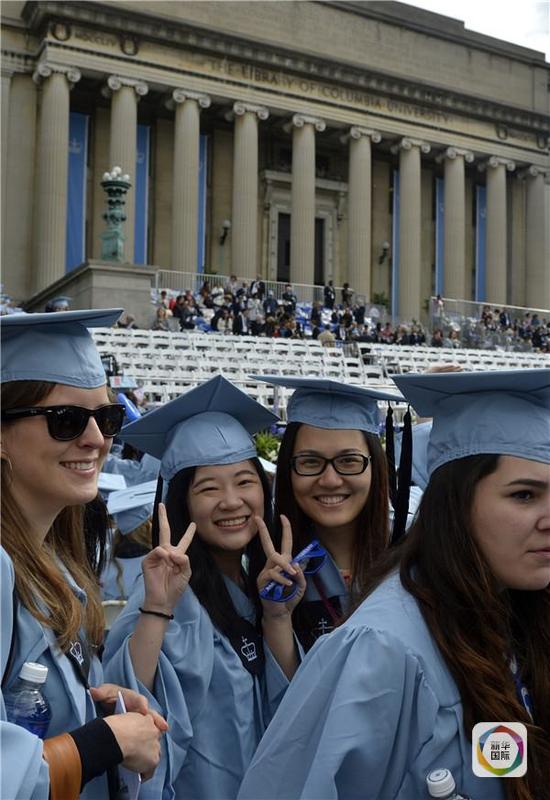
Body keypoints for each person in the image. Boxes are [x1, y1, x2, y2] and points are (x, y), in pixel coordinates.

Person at [238, 368, 550, 800]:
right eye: (524, 495)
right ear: (455, 504)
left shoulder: (503, 611)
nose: (331, 479)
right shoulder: (382, 646)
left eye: (348, 461)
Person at [103, 376, 307, 800]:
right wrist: (158, 610)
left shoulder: (256, 583)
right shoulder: (166, 595)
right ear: (183, 503)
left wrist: (277, 616)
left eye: (245, 482)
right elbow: (128, 710)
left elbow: (289, 711)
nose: (232, 501)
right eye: (208, 488)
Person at [1, 309, 165, 800]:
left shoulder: (49, 565)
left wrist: (92, 707)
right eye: (66, 420)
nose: (96, 439)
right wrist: (102, 742)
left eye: (107, 417)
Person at [253, 376, 403, 651]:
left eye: (349, 461)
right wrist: (277, 617)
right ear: (288, 468)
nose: (330, 480)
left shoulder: (414, 556)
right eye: (310, 462)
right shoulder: (263, 568)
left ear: (376, 466)